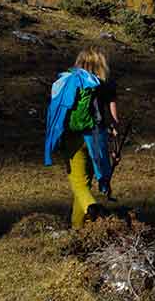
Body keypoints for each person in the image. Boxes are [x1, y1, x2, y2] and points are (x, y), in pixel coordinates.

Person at [44, 48, 122, 228]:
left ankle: (93, 208)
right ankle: (77, 229)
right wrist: (113, 146)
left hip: (74, 138)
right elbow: (114, 121)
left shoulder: (71, 80)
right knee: (84, 186)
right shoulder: (106, 85)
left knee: (79, 184)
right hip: (97, 139)